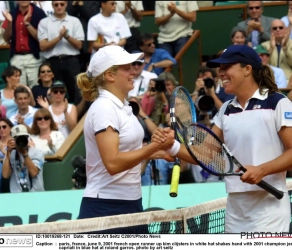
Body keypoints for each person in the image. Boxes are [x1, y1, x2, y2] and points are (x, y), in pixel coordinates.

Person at [152, 45, 292, 233]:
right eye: (220, 69)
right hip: (235, 210)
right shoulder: (226, 109)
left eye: (227, 67)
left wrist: (261, 170)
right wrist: (173, 146)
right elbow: (204, 155)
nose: (221, 73)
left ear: (247, 69)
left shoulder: (277, 103)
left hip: (269, 209)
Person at [76, 45, 174, 221]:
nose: (133, 72)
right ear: (110, 75)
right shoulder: (104, 108)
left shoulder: (124, 107)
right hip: (105, 208)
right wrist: (153, 147)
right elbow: (113, 163)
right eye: (127, 68)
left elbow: (127, 152)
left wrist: (158, 153)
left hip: (130, 203)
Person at [2, 124, 45, 193]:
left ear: (27, 138)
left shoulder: (37, 152)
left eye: (23, 137)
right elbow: (5, 175)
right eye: (17, 138)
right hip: (16, 196)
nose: (20, 140)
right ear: (12, 140)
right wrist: (8, 152)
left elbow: (34, 173)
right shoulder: (10, 153)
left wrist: (24, 153)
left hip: (36, 194)